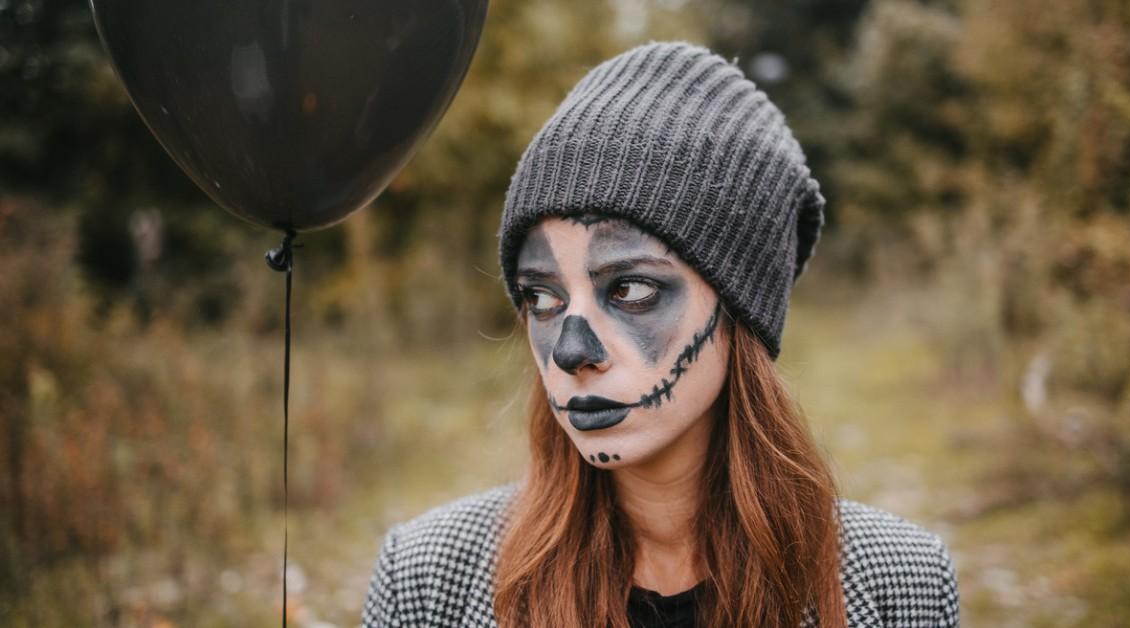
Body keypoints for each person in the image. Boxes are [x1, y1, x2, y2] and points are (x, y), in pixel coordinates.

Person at [361, 41, 959, 628]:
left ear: (741, 310)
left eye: (631, 291)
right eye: (541, 298)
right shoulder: (426, 581)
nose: (572, 352)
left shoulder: (898, 582)